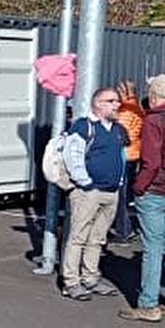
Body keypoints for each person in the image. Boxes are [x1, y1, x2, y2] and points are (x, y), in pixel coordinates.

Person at [119, 73, 165, 323]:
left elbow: (150, 161)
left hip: (155, 189)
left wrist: (138, 187)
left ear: (155, 96)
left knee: (152, 247)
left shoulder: (155, 120)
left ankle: (148, 304)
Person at [58, 87, 129, 301]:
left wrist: (119, 181)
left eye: (117, 101)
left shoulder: (117, 129)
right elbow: (73, 156)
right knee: (78, 236)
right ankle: (71, 281)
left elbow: (122, 156)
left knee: (98, 238)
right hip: (88, 191)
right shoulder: (83, 126)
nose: (117, 105)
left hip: (110, 191)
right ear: (98, 103)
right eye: (111, 101)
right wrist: (85, 183)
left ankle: (90, 276)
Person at [111, 78, 146, 243]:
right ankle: (125, 228)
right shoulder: (138, 108)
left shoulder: (126, 111)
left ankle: (123, 230)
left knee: (121, 195)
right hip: (135, 153)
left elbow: (119, 133)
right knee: (126, 194)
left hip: (124, 155)